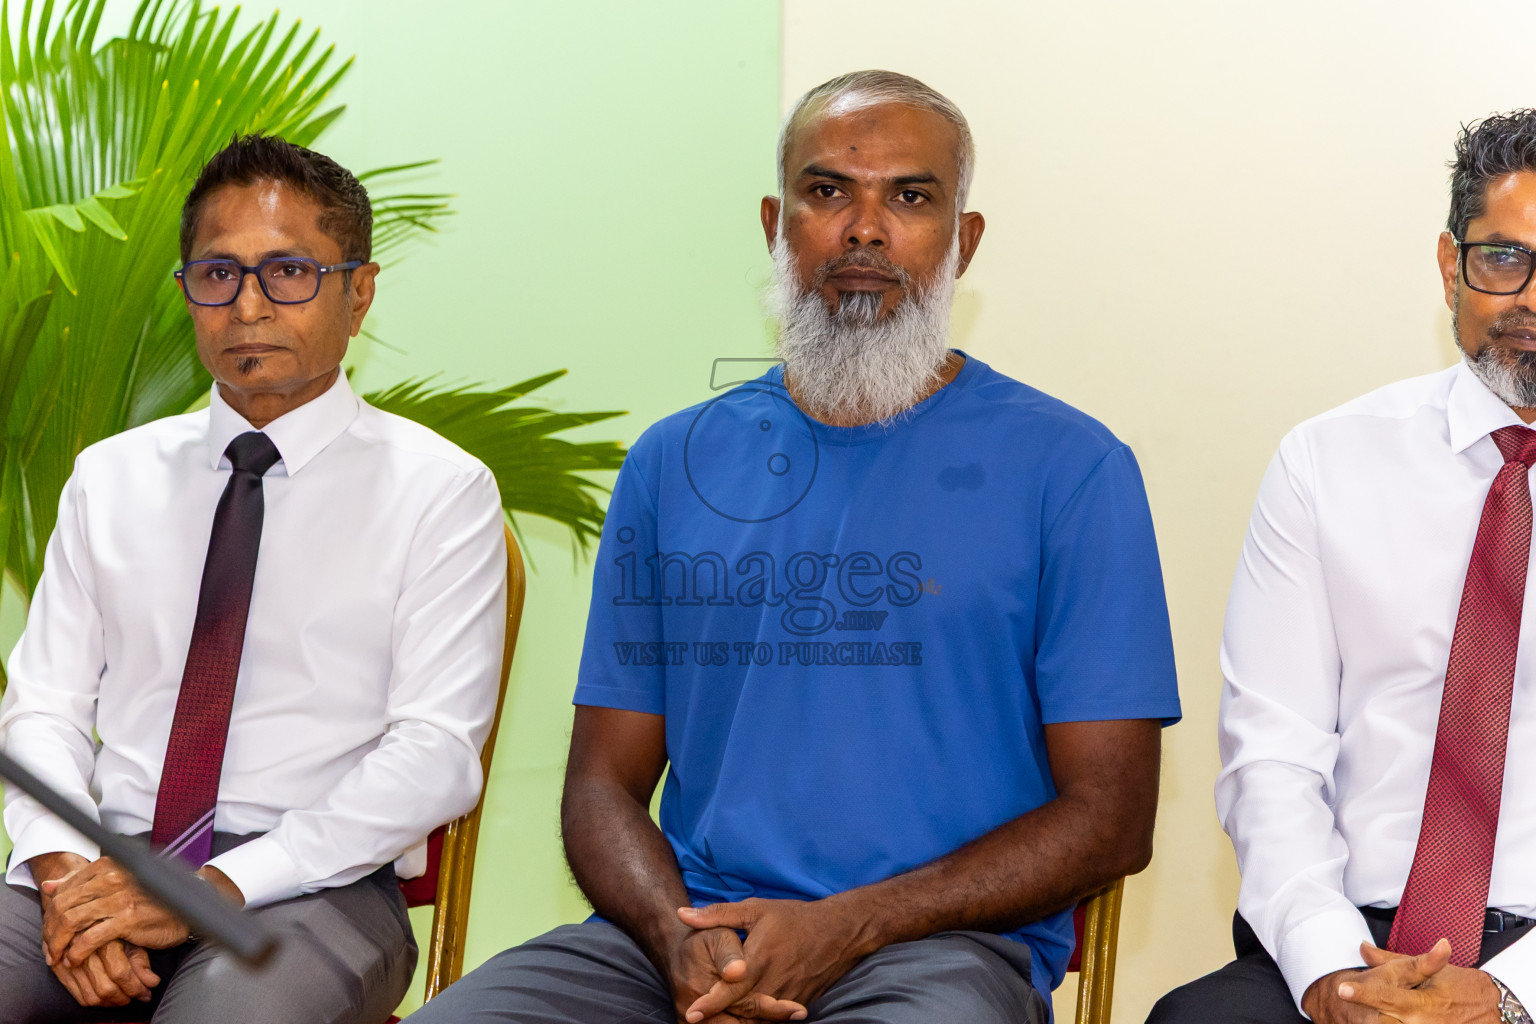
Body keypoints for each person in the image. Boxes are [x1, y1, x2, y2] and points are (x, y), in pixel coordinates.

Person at [414, 69, 1180, 1024]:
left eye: (910, 197)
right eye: (828, 193)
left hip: (933, 951)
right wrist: (674, 934)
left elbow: (1111, 819)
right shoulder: (672, 463)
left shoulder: (1072, 470)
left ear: (963, 241)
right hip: (683, 941)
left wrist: (849, 926)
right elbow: (603, 786)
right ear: (778, 225)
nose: (865, 229)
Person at [0, 134, 508, 1023]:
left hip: (313, 885)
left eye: (289, 272)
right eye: (217, 274)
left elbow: (432, 754)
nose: (247, 306)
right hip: (100, 864)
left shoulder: (440, 491)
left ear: (359, 292)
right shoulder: (109, 478)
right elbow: (38, 710)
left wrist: (218, 884)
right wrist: (64, 875)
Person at [1148, 110, 1536, 1024]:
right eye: (1503, 259)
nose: (1533, 297)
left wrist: (1513, 994)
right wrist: (1330, 970)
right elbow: (1271, 755)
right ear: (1450, 266)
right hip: (1357, 932)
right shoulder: (1325, 462)